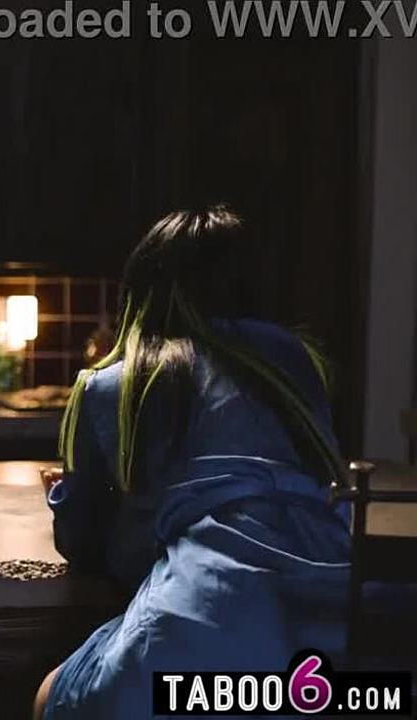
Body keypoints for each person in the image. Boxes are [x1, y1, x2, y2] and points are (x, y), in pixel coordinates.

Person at [33, 206, 352, 719]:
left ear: (141, 296)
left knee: (54, 694)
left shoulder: (116, 384)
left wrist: (67, 491)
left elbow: (85, 542)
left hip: (205, 619)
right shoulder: (295, 364)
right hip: (335, 616)